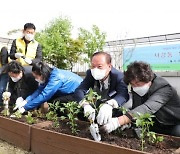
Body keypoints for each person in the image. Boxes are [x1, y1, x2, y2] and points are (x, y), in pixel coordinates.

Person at [103, 61, 180, 137]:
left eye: (138, 84)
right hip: (153, 124)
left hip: (172, 123)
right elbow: (136, 108)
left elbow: (147, 108)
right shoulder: (137, 89)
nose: (135, 87)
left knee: (177, 133)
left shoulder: (164, 88)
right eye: (132, 84)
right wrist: (129, 123)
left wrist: (119, 121)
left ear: (148, 79)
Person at [74, 51, 129, 125]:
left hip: (114, 106)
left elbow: (123, 94)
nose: (95, 70)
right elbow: (80, 90)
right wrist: (85, 104)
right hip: (99, 102)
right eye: (93, 66)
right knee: (81, 112)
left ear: (109, 66)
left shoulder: (118, 76)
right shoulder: (90, 74)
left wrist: (110, 104)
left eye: (100, 66)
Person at [14, 61, 83, 113]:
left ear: (41, 74)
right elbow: (39, 90)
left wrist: (25, 107)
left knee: (55, 103)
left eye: (36, 77)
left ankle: (60, 121)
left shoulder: (56, 78)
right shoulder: (48, 75)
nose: (35, 79)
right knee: (50, 101)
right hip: (67, 91)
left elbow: (45, 95)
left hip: (78, 92)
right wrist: (26, 100)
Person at [0, 23, 43, 103]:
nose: (30, 34)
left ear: (34, 33)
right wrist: (15, 55)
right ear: (24, 31)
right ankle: (13, 103)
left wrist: (32, 61)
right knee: (15, 87)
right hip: (16, 69)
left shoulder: (37, 44)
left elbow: (39, 58)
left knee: (29, 88)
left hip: (30, 70)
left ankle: (27, 103)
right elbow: (11, 55)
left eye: (32, 33)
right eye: (28, 32)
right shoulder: (16, 41)